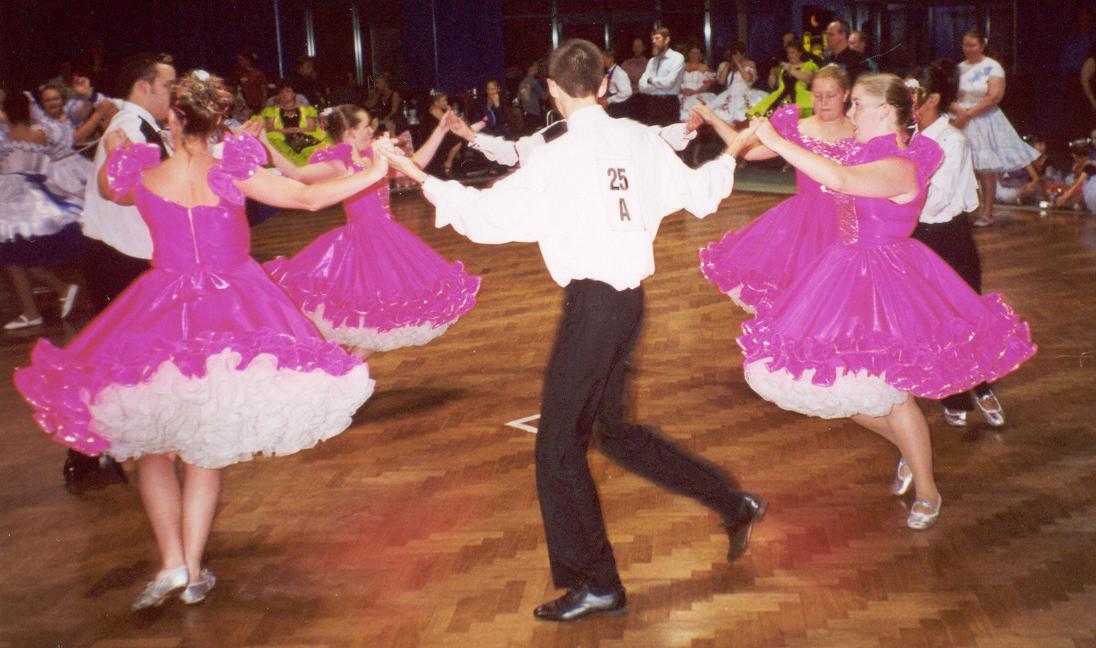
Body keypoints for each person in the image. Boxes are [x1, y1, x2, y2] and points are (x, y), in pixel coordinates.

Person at [381, 39, 765, 622]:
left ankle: (597, 582)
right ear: (605, 85)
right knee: (613, 432)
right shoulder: (638, 138)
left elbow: (487, 217)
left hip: (594, 309)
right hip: (627, 305)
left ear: (553, 90)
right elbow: (699, 194)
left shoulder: (556, 155)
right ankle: (732, 504)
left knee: (557, 448)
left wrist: (413, 171)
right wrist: (731, 152)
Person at [14, 71, 387, 610]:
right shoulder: (230, 171)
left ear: (173, 117)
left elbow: (111, 190)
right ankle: (190, 570)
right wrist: (376, 169)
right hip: (232, 309)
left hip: (160, 309)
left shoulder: (144, 174)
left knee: (155, 452)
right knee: (204, 450)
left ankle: (172, 564)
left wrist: (117, 150)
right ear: (217, 122)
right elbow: (307, 198)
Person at [741, 73, 1036, 530]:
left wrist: (780, 142)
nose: (850, 111)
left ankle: (928, 490)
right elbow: (826, 167)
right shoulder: (862, 152)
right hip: (841, 273)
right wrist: (775, 138)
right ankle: (909, 449)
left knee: (894, 397)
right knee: (839, 386)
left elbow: (840, 177)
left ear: (885, 111)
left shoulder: (900, 166)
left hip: (887, 281)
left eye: (857, 104)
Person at [263, 104, 480, 356]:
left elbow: (415, 163)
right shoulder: (340, 164)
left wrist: (441, 130)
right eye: (366, 126)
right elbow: (297, 174)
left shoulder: (371, 158)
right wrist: (265, 141)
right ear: (350, 133)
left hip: (388, 238)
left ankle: (347, 368)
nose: (371, 130)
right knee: (376, 319)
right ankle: (347, 368)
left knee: (380, 319)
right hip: (365, 243)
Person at [72, 52, 177, 487]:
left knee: (125, 356)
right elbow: (120, 190)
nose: (173, 94)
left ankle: (96, 449)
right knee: (114, 358)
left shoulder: (142, 126)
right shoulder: (130, 127)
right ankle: (86, 451)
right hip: (120, 257)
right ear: (143, 86)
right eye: (168, 86)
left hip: (128, 254)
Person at [701, 65, 855, 313]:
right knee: (799, 298)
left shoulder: (861, 130)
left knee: (840, 300)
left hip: (850, 222)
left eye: (831, 95)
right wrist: (713, 119)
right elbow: (749, 152)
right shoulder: (799, 127)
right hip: (805, 222)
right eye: (817, 95)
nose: (823, 102)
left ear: (846, 94)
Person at [909, 62, 1007, 428]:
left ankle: (979, 385)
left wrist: (896, 194)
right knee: (929, 317)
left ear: (932, 98)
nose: (906, 100)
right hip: (915, 238)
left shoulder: (953, 141)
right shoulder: (908, 138)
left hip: (949, 238)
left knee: (964, 314)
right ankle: (953, 390)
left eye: (912, 93)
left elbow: (937, 201)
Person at [1, 91, 83, 331]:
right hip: (31, 198)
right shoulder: (40, 133)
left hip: (11, 204)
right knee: (19, 259)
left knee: (13, 260)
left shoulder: (6, 139)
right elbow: (66, 137)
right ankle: (56, 292)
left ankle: (34, 309)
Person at [951, 29, 1041, 227]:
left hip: (983, 119)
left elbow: (994, 97)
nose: (968, 49)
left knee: (986, 167)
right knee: (960, 164)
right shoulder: (959, 68)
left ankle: (987, 212)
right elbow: (949, 93)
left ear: (982, 45)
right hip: (959, 117)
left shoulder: (993, 67)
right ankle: (962, 209)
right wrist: (959, 112)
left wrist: (968, 114)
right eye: (965, 45)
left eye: (972, 45)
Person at [261, 79, 327, 165]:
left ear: (294, 94)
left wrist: (298, 130)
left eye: (288, 91)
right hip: (282, 139)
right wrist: (284, 131)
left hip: (303, 136)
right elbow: (270, 128)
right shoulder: (272, 110)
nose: (284, 94)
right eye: (281, 92)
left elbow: (311, 127)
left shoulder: (306, 109)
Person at [748, 43, 819, 118]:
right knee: (770, 114)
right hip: (782, 97)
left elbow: (808, 79)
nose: (789, 55)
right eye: (788, 53)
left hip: (799, 98)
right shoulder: (783, 68)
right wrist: (772, 70)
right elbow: (772, 85)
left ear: (800, 53)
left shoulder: (808, 65)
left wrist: (790, 69)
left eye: (792, 52)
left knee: (790, 117)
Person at [708, 42, 767, 124]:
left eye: (737, 54)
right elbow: (721, 81)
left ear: (743, 54)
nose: (735, 56)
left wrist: (738, 64)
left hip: (745, 92)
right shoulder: (728, 65)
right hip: (730, 93)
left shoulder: (750, 63)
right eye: (733, 54)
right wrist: (727, 67)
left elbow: (748, 79)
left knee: (744, 113)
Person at [637, 27, 685, 126]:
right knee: (652, 133)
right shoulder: (652, 61)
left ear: (667, 40)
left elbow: (669, 82)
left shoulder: (677, 58)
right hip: (652, 103)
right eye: (653, 39)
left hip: (669, 103)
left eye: (657, 38)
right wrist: (657, 84)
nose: (654, 41)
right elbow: (641, 86)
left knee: (669, 134)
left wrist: (651, 81)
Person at [678, 45, 716, 121]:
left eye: (696, 53)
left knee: (695, 105)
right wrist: (682, 90)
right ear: (688, 54)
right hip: (683, 94)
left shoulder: (705, 68)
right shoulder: (681, 66)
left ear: (700, 55)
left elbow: (707, 85)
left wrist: (695, 92)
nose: (694, 55)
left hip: (698, 94)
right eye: (692, 52)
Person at [823, 20, 865, 85]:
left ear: (842, 35)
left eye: (831, 34)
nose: (827, 37)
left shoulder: (857, 59)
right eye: (826, 34)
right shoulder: (827, 61)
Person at [602, 49, 632, 119]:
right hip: (610, 106)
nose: (602, 61)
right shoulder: (607, 73)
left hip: (617, 107)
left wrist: (609, 100)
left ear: (611, 59)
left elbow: (627, 92)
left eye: (604, 58)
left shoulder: (619, 73)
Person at [518, 60, 547, 127]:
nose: (538, 68)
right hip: (535, 114)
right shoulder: (533, 81)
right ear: (531, 68)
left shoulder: (522, 83)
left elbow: (520, 98)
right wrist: (549, 86)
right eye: (536, 66)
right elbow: (545, 97)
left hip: (526, 114)